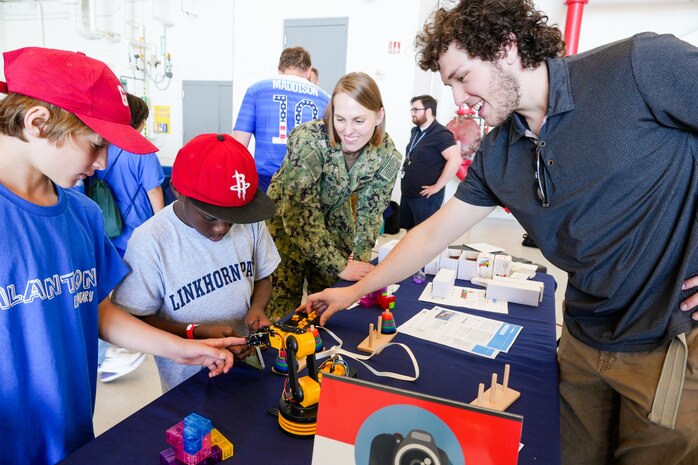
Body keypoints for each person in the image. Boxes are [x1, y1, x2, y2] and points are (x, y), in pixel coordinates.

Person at [303, 1, 698, 464]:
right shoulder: (498, 151)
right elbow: (432, 234)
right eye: (449, 83)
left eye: (462, 76)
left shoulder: (637, 67)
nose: (456, 99)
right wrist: (356, 291)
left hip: (668, 342)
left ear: (507, 47)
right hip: (582, 340)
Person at [0, 47, 245, 465]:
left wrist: (179, 348)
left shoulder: (83, 215)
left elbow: (98, 311)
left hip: (74, 433)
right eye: (96, 144)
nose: (102, 162)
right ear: (38, 122)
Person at [111, 133, 280, 392]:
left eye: (233, 216)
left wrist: (257, 307)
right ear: (177, 192)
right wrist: (194, 332)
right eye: (210, 217)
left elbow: (262, 277)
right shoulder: (150, 241)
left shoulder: (250, 223)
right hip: (186, 382)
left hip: (246, 365)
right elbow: (132, 319)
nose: (222, 228)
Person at [266, 71, 402, 321]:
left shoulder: (387, 156)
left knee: (326, 302)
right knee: (282, 307)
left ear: (379, 115)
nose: (348, 131)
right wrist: (341, 265)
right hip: (285, 229)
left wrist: (358, 268)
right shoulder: (308, 141)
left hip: (333, 227)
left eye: (359, 121)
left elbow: (370, 215)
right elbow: (300, 219)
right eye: (340, 119)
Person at [91, 93, 166, 383]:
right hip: (138, 234)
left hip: (109, 231)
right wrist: (163, 231)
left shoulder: (103, 146)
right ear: (141, 121)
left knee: (107, 295)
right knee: (132, 296)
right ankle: (120, 351)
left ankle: (113, 351)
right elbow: (154, 193)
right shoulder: (141, 150)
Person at [232, 46, 331, 192]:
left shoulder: (257, 91)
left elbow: (238, 145)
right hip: (307, 181)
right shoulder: (325, 99)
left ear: (279, 68)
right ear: (309, 70)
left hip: (265, 180)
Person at [399, 95, 460, 230]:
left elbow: (455, 160)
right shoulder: (416, 131)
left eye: (416, 110)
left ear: (428, 111)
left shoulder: (441, 133)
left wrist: (437, 186)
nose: (412, 113)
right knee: (410, 234)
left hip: (426, 198)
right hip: (408, 193)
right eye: (412, 110)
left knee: (424, 235)